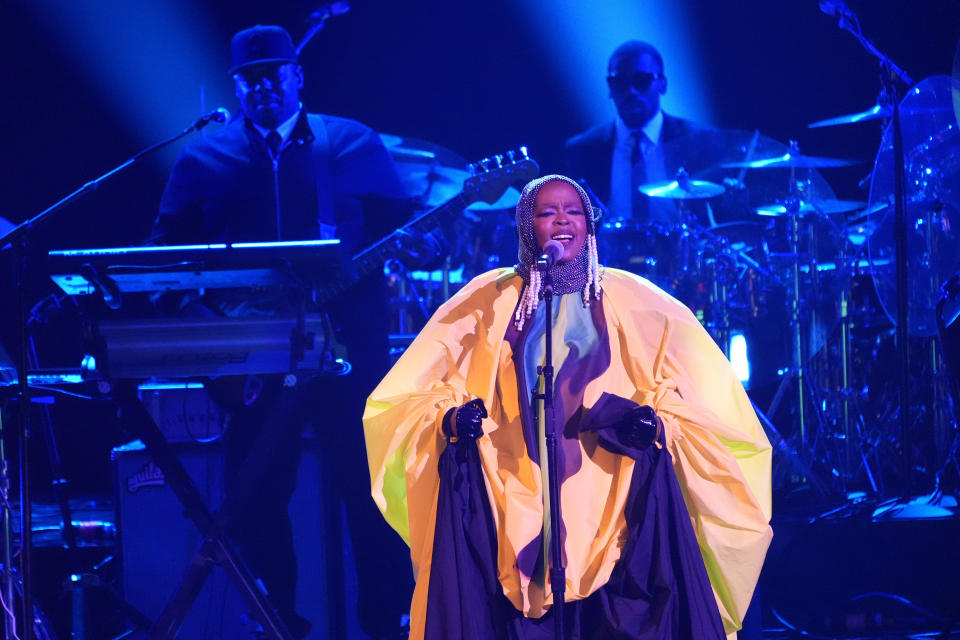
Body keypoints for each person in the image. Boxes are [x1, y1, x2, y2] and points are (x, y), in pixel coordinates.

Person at [363, 174, 773, 639]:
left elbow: (700, 394)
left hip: (614, 496)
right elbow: (414, 392)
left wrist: (657, 424)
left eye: (573, 211)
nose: (562, 220)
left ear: (589, 225)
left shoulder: (638, 301)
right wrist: (450, 418)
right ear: (525, 226)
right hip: (513, 493)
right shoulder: (485, 301)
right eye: (546, 212)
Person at [150, 24, 414, 639]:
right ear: (237, 87)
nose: (264, 85)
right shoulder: (203, 157)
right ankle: (281, 625)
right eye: (251, 78)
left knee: (371, 493)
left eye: (275, 73)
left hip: (348, 351)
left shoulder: (349, 143)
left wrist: (405, 254)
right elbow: (162, 261)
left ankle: (389, 625)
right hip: (254, 362)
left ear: (298, 76)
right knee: (257, 500)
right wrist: (211, 334)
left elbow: (403, 230)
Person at [563, 41, 704, 226]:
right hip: (611, 252)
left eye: (641, 80)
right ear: (610, 87)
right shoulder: (582, 150)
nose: (631, 91)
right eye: (620, 82)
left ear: (662, 84)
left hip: (682, 250)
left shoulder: (695, 140)